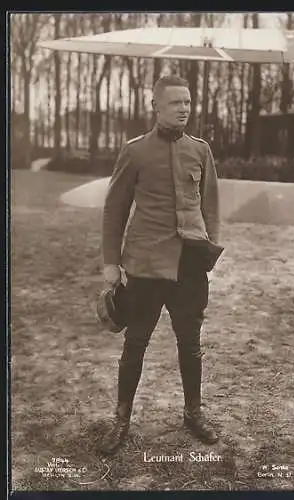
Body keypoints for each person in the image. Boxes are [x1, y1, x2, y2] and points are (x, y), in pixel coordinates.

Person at [101, 75, 223, 455]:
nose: (184, 108)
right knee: (135, 343)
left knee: (190, 344)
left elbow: (211, 205)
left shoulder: (200, 150)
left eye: (187, 102)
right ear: (155, 106)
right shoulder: (135, 151)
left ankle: (193, 412)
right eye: (175, 103)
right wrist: (110, 263)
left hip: (189, 267)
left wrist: (208, 249)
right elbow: (114, 210)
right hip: (146, 265)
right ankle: (121, 420)